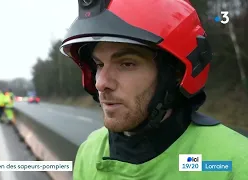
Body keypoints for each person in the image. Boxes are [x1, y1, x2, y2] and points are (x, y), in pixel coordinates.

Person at [59, 0, 248, 179]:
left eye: (127, 64)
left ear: (175, 72)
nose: (101, 83)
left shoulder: (235, 161)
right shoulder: (89, 151)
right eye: (99, 64)